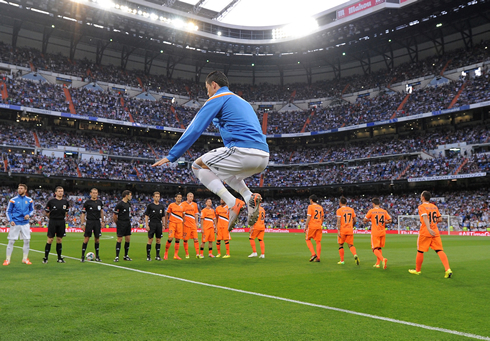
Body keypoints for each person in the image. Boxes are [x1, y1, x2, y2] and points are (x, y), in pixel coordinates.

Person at [152, 71, 269, 231]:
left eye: (207, 89)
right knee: (223, 173)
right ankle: (249, 197)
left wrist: (173, 155)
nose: (207, 93)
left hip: (243, 151)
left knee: (197, 166)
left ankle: (232, 203)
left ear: (214, 85)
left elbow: (195, 128)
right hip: (263, 157)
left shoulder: (219, 97)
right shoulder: (243, 102)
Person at [409, 191, 453, 278]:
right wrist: (432, 223)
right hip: (435, 231)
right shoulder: (434, 207)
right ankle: (448, 269)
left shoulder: (421, 207)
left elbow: (425, 217)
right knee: (439, 250)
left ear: (423, 197)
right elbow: (440, 219)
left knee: (420, 250)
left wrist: (428, 228)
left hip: (426, 231)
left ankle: (417, 270)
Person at [4, 184, 34, 266]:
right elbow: (8, 211)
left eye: (21, 188)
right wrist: (11, 220)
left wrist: (29, 215)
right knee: (11, 241)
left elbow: (32, 210)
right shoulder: (13, 200)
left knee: (27, 240)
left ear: (25, 190)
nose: (19, 190)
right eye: (18, 188)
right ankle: (7, 259)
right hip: (15, 223)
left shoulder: (29, 200)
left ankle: (25, 258)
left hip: (25, 223)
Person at [363, 198, 392, 269]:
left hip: (375, 232)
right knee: (379, 248)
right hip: (382, 232)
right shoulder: (384, 211)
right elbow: (390, 220)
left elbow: (364, 219)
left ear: (373, 204)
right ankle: (378, 263)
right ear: (379, 203)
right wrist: (385, 222)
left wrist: (369, 220)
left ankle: (383, 259)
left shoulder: (371, 211)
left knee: (374, 248)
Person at [43, 186, 70, 263]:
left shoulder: (65, 202)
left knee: (59, 240)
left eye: (62, 191)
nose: (60, 192)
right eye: (59, 191)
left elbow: (66, 212)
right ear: (55, 193)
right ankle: (46, 258)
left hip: (61, 222)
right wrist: (52, 218)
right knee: (50, 239)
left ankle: (59, 258)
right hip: (53, 221)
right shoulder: (51, 202)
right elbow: (47, 213)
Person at [80, 188, 104, 262]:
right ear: (90, 193)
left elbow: (102, 212)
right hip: (89, 222)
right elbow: (83, 214)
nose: (94, 194)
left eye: (96, 193)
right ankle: (82, 256)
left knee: (97, 239)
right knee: (86, 238)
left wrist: (103, 221)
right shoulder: (87, 202)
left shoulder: (99, 202)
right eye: (93, 193)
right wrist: (82, 223)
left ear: (97, 194)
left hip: (97, 222)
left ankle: (97, 256)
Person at [336, 197, 359, 265]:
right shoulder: (351, 210)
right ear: (346, 203)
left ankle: (342, 261)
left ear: (340, 203)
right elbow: (355, 220)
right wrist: (352, 225)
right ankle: (355, 254)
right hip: (349, 229)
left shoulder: (339, 210)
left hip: (342, 229)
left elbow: (339, 221)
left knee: (341, 245)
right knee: (350, 245)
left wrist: (338, 230)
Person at [144, 191, 165, 261]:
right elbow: (146, 216)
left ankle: (157, 255)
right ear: (153, 197)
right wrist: (146, 225)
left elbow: (163, 216)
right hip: (152, 224)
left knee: (158, 240)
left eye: (158, 196)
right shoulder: (150, 206)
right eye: (156, 196)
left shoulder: (161, 206)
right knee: (150, 240)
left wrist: (164, 225)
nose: (157, 198)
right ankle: (148, 256)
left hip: (159, 224)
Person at [113, 190, 133, 262]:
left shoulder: (129, 204)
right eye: (130, 195)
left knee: (128, 239)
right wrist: (117, 223)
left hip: (127, 223)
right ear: (126, 195)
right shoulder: (119, 204)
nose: (131, 197)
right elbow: (115, 215)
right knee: (120, 239)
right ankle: (117, 256)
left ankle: (126, 255)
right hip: (121, 223)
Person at [165, 193, 184, 260]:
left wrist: (183, 224)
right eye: (178, 197)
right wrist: (165, 223)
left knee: (178, 239)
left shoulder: (183, 206)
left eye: (180, 197)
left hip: (179, 224)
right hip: (172, 223)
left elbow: (183, 216)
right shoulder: (171, 205)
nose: (179, 198)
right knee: (170, 238)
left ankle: (176, 255)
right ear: (175, 198)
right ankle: (166, 253)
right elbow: (167, 214)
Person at [305, 195, 324, 262]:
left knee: (307, 239)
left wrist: (305, 226)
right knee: (318, 242)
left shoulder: (310, 207)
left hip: (312, 225)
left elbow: (309, 217)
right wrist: (320, 224)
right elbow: (322, 217)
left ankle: (313, 254)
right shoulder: (320, 207)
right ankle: (318, 257)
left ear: (311, 200)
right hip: (319, 225)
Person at [181, 192, 200, 259]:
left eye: (192, 196)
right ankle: (187, 254)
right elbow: (181, 214)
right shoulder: (183, 204)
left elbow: (196, 214)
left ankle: (197, 253)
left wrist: (197, 222)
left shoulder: (195, 204)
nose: (191, 198)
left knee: (196, 239)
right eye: (190, 196)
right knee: (185, 240)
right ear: (187, 197)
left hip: (193, 225)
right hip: (186, 225)